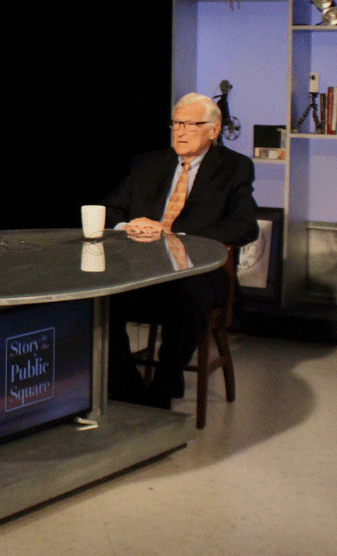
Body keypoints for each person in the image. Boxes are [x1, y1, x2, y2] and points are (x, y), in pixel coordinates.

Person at [101, 92, 259, 408]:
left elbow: (245, 226)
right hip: (145, 268)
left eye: (190, 124)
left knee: (190, 290)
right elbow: (110, 209)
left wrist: (176, 234)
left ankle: (164, 386)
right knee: (100, 296)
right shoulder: (148, 163)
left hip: (198, 271)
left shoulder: (233, 168)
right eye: (176, 124)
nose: (180, 131)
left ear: (213, 130)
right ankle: (126, 387)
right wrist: (128, 226)